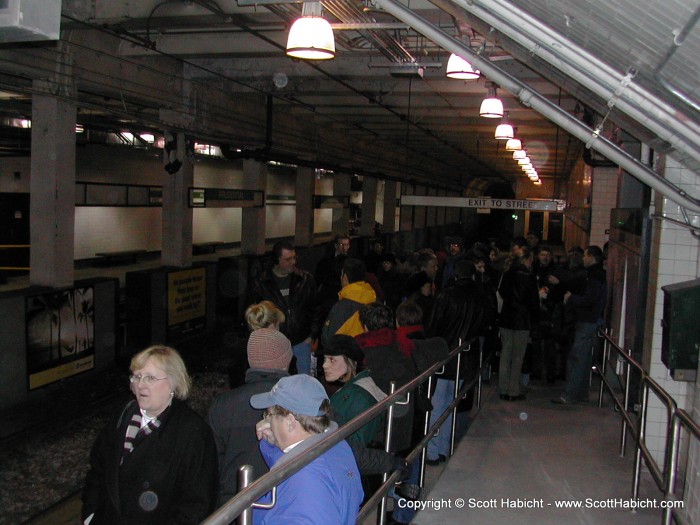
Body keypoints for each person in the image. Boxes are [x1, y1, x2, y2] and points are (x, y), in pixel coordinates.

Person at [82, 345, 218, 525]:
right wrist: (90, 514)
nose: (140, 385)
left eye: (150, 378)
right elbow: (98, 469)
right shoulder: (123, 415)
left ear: (173, 383)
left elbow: (197, 504)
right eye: (137, 377)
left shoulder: (193, 433)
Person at [250, 375, 363, 524]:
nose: (266, 421)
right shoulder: (337, 446)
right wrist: (274, 444)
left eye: (269, 415)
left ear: (290, 422)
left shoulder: (307, 480)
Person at [208, 326, 293, 506]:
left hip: (232, 504)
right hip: (283, 499)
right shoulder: (298, 402)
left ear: (249, 360)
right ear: (286, 360)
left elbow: (211, 464)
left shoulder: (223, 404)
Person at [247, 240, 321, 375]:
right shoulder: (261, 284)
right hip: (274, 344)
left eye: (294, 258)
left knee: (303, 382)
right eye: (288, 259)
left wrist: (311, 336)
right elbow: (254, 316)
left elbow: (316, 309)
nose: (293, 262)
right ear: (276, 260)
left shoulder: (305, 280)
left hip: (302, 342)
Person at [553, 245, 607, 405]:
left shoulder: (594, 276)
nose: (583, 259)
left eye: (585, 256)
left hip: (587, 320)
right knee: (584, 359)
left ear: (592, 257)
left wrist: (571, 298)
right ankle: (581, 393)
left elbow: (589, 299)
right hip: (592, 320)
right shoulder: (599, 275)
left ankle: (569, 394)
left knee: (576, 359)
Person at [498, 248, 539, 401]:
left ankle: (503, 387)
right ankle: (513, 390)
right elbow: (533, 301)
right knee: (517, 357)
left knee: (506, 353)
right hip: (522, 320)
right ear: (526, 260)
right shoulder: (529, 277)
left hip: (507, 317)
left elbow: (501, 292)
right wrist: (535, 321)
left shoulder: (507, 274)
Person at [321, 258, 376, 348]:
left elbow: (328, 338)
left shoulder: (341, 307)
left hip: (347, 357)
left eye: (341, 274)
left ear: (345, 277)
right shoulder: (374, 300)